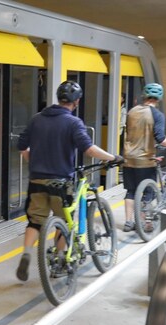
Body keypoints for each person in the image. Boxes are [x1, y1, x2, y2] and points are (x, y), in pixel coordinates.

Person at [15, 80, 122, 281]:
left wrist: (33, 160)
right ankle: (59, 259)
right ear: (77, 102)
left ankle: (27, 254)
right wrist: (112, 157)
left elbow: (22, 146)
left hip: (37, 180)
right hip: (61, 182)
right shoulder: (73, 123)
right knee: (65, 222)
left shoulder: (37, 119)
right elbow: (88, 149)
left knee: (35, 222)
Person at [122, 83, 166, 232]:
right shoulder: (156, 114)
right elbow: (161, 138)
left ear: (144, 95)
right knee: (148, 192)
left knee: (131, 191)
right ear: (159, 98)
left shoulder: (132, 112)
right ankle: (146, 223)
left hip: (128, 158)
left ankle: (128, 222)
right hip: (145, 160)